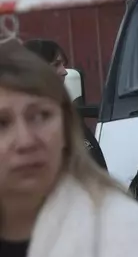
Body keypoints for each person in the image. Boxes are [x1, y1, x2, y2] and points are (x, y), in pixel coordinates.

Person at [0, 40, 138, 257]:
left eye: (41, 115)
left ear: (66, 126)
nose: (25, 140)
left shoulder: (125, 231)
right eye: (2, 123)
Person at [23, 38, 108, 170]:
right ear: (38, 69)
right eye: (56, 64)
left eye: (63, 64)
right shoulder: (31, 122)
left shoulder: (66, 113)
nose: (65, 71)